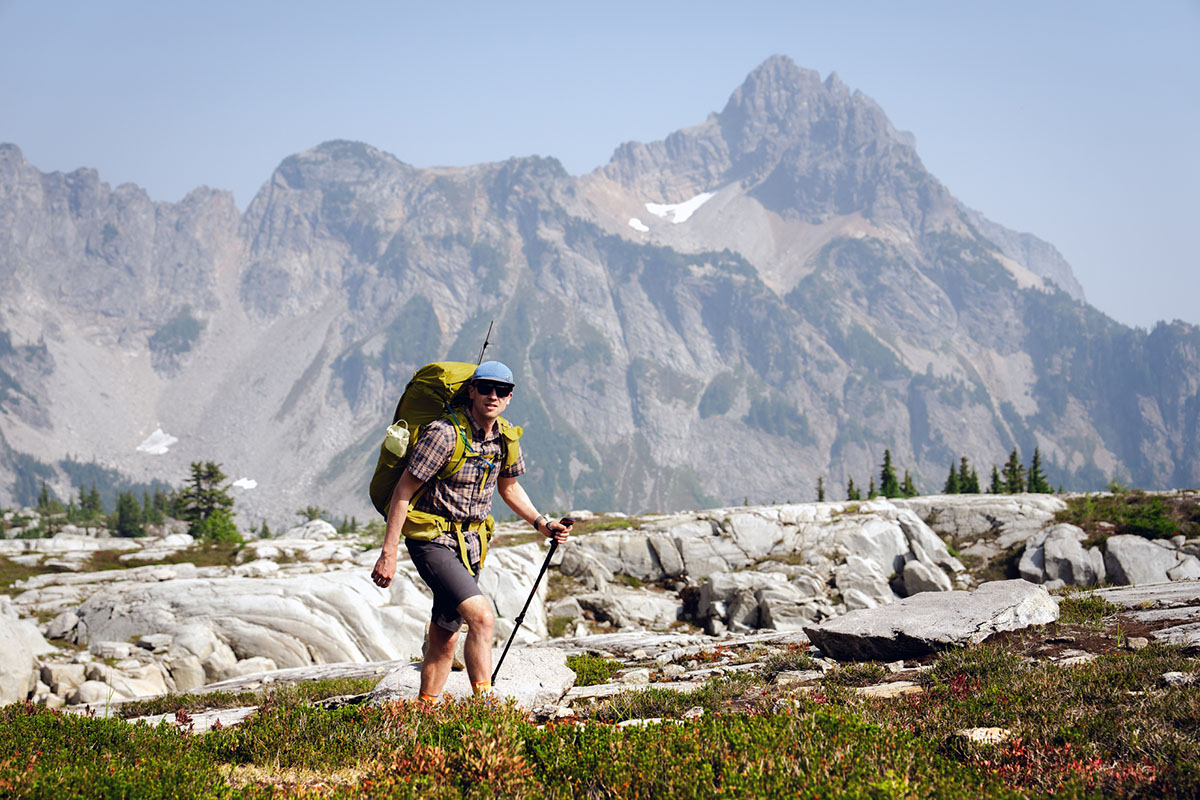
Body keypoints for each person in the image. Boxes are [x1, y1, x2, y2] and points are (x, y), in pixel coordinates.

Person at [370, 360, 571, 702]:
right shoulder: (443, 433)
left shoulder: (505, 437)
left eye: (502, 390)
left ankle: (425, 710)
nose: (494, 395)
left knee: (446, 633)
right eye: (487, 388)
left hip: (473, 544)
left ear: (510, 396)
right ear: (473, 390)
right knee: (481, 617)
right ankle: (485, 706)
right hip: (432, 540)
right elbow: (403, 491)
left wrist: (542, 523)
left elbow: (508, 488)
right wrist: (389, 553)